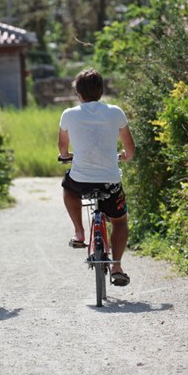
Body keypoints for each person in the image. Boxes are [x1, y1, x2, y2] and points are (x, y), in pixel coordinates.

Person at [58, 69, 135, 286]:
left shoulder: (68, 114)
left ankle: (80, 232)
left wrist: (65, 156)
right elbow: (130, 149)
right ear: (101, 91)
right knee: (119, 222)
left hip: (81, 181)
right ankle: (117, 266)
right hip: (110, 181)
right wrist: (125, 157)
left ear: (78, 93)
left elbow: (62, 148)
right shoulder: (115, 112)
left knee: (68, 187)